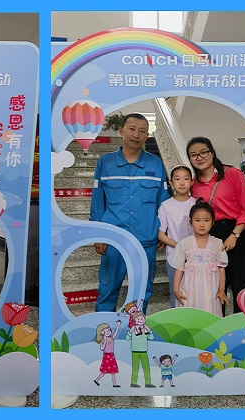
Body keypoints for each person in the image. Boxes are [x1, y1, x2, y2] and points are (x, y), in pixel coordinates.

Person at [90, 113, 169, 314]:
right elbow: (98, 200)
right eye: (132, 129)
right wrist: (98, 234)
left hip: (146, 239)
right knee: (108, 289)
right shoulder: (105, 163)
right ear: (121, 131)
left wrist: (163, 230)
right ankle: (103, 328)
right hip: (113, 239)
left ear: (147, 135)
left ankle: (136, 329)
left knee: (142, 291)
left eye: (142, 131)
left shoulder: (156, 164)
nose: (136, 135)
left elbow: (163, 202)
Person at [187, 137, 245, 313]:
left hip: (239, 232)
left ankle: (242, 324)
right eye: (193, 155)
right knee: (215, 283)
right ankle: (218, 323)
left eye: (203, 152)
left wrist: (235, 235)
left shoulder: (232, 173)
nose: (199, 157)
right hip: (212, 234)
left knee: (242, 283)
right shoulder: (194, 184)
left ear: (212, 152)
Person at [169, 199, 230, 316]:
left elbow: (221, 268)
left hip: (210, 289)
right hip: (190, 289)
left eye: (206, 220)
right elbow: (179, 268)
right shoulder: (184, 243)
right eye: (197, 220)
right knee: (189, 314)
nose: (202, 224)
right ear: (190, 222)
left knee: (210, 313)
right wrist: (176, 289)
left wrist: (221, 290)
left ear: (213, 222)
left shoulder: (218, 243)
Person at [157, 165, 197, 308]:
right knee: (176, 293)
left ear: (192, 182)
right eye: (177, 179)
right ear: (171, 182)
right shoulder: (165, 206)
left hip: (196, 256)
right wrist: (180, 246)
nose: (182, 183)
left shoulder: (196, 203)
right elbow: (160, 234)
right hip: (174, 256)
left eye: (186, 179)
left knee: (196, 292)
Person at [125, 311, 155, 388]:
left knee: (146, 367)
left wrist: (148, 330)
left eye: (142, 318)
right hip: (135, 351)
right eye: (138, 319)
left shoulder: (145, 329)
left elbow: (151, 338)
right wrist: (130, 331)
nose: (140, 320)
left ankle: (148, 383)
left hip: (143, 350)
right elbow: (127, 338)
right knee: (135, 367)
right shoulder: (133, 329)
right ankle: (133, 382)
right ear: (134, 321)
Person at [93, 320, 122, 387]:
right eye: (106, 331)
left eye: (109, 330)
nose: (108, 332)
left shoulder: (111, 338)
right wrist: (105, 341)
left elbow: (116, 332)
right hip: (106, 356)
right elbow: (102, 348)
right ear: (102, 333)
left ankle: (114, 384)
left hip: (111, 355)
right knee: (105, 370)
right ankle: (96, 380)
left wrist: (118, 325)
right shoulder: (102, 341)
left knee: (113, 371)